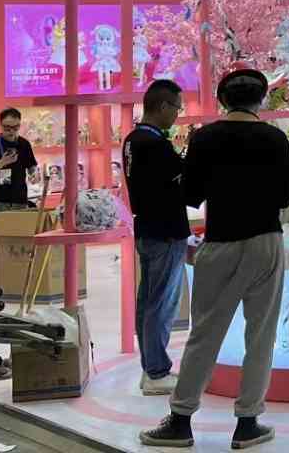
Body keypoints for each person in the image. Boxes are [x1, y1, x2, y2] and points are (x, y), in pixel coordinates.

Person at [142, 68, 289, 450]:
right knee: (260, 336)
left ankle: (180, 420)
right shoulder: (275, 138)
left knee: (204, 334)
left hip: (219, 243)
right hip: (266, 241)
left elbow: (190, 194)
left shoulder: (205, 137)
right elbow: (286, 195)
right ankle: (248, 422)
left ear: (222, 100)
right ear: (261, 100)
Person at [123, 79, 189, 395]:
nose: (177, 114)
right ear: (163, 106)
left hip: (150, 229)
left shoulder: (133, 140)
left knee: (150, 300)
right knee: (160, 303)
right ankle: (156, 371)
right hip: (165, 231)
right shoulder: (154, 144)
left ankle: (151, 367)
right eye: (177, 108)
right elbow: (184, 177)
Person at [0, 107, 39, 210]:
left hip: (19, 200)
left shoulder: (24, 144)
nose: (11, 131)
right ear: (1, 125)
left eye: (15, 128)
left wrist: (34, 175)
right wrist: (2, 162)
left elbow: (31, 167)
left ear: (19, 125)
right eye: (7, 128)